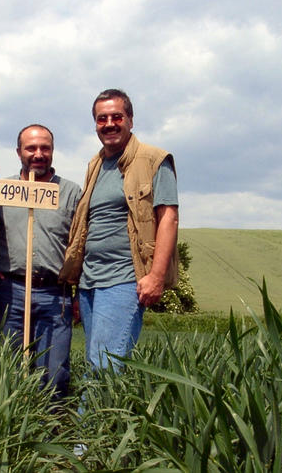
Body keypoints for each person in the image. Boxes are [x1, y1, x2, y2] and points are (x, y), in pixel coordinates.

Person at [60, 89, 179, 370]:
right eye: (102, 119)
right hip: (90, 282)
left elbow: (168, 219)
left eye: (117, 116)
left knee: (106, 366)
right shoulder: (96, 164)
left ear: (130, 120)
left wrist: (156, 277)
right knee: (96, 363)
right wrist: (80, 286)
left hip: (124, 279)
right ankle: (100, 415)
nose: (110, 124)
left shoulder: (155, 160)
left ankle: (90, 416)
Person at [0, 124, 81, 400]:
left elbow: (82, 243)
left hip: (55, 295)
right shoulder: (4, 190)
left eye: (45, 148)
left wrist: (79, 294)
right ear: (19, 152)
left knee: (55, 373)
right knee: (12, 369)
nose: (38, 154)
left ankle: (50, 433)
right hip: (11, 292)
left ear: (52, 151)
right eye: (31, 148)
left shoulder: (71, 193)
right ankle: (13, 432)